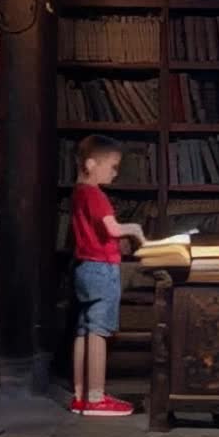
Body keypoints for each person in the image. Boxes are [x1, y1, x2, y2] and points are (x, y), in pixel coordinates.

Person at [70, 134, 147, 416]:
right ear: (91, 164)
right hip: (102, 269)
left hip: (83, 267)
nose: (115, 172)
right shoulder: (96, 195)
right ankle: (96, 397)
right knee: (100, 332)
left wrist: (115, 239)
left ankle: (80, 395)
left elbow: (96, 233)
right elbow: (113, 229)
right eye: (113, 166)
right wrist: (135, 230)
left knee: (83, 330)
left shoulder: (78, 193)